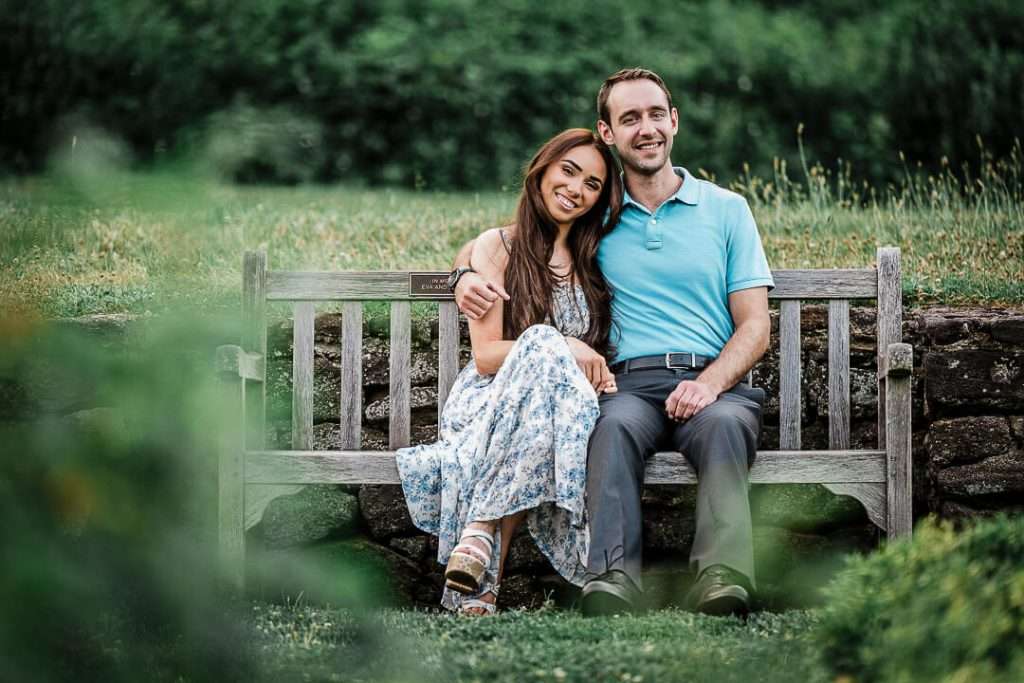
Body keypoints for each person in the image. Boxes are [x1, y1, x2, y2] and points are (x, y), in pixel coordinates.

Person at [453, 68, 774, 617]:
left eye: (655, 114)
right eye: (629, 119)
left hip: (713, 382)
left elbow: (755, 326)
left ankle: (722, 578)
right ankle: (612, 580)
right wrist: (462, 272)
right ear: (608, 133)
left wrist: (709, 384)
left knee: (722, 425)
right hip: (627, 383)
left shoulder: (727, 209)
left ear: (673, 122)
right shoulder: (597, 217)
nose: (645, 128)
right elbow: (515, 239)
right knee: (611, 425)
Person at [395, 128, 624, 615]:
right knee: (540, 344)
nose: (576, 189)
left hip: (566, 410)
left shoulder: (594, 257)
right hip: (491, 399)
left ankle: (479, 556)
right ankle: (483, 561)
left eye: (592, 183)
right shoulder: (497, 248)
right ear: (541, 169)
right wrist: (561, 344)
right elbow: (485, 356)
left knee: (543, 409)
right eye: (568, 170)